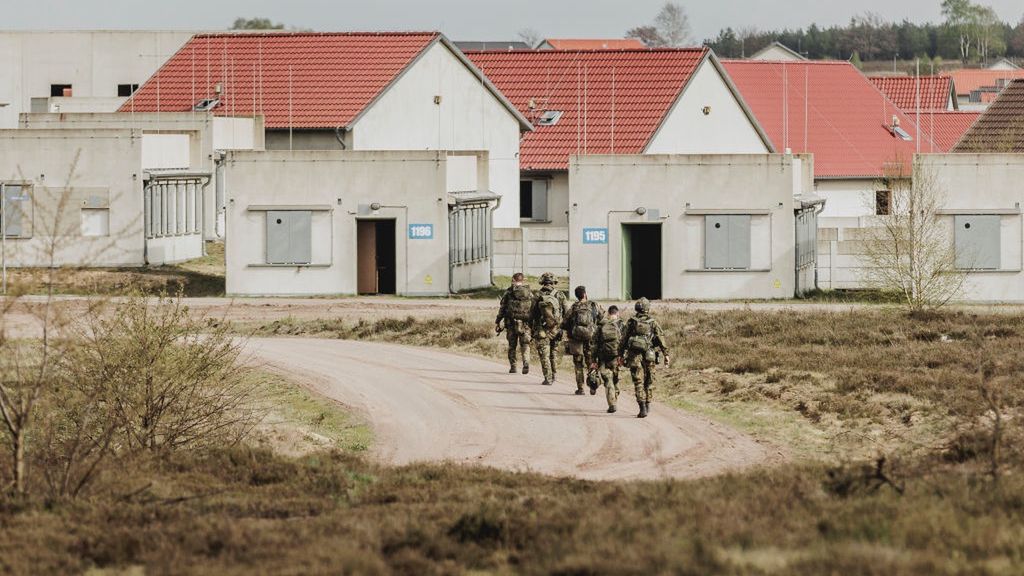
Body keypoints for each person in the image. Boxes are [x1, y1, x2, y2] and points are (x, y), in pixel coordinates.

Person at [619, 298, 670, 419]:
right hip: (649, 354)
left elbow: (623, 339)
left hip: (634, 354)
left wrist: (620, 355)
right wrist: (666, 354)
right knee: (649, 379)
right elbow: (661, 338)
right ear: (648, 308)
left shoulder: (631, 321)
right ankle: (648, 403)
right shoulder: (653, 322)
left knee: (638, 381)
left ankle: (641, 406)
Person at [562, 285, 603, 396]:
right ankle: (593, 385)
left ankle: (580, 388)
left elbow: (564, 323)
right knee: (591, 362)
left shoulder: (574, 307)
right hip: (591, 338)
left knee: (578, 364)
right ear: (585, 294)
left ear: (577, 296)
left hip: (576, 340)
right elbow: (602, 320)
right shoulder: (594, 305)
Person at [531, 272, 568, 386]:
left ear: (542, 282)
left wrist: (533, 328)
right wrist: (562, 328)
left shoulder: (537, 295)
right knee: (553, 353)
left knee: (544, 354)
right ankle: (554, 374)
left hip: (542, 329)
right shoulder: (561, 295)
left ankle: (548, 378)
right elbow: (566, 313)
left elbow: (532, 313)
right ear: (554, 282)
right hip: (556, 329)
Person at [495, 273, 534, 374]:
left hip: (511, 323)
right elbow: (533, 308)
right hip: (525, 323)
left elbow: (502, 308)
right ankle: (526, 362)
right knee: (525, 344)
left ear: (513, 279)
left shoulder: (509, 292)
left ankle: (513, 366)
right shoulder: (529, 292)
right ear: (523, 280)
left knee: (512, 346)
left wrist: (498, 321)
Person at [591, 305, 624, 413]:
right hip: (616, 356)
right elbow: (625, 342)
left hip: (603, 356)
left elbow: (594, 344)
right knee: (616, 378)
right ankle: (615, 398)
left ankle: (612, 404)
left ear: (609, 313)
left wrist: (593, 360)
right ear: (617, 313)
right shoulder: (621, 325)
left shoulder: (601, 325)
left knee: (608, 380)